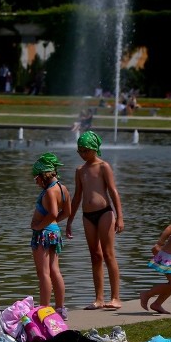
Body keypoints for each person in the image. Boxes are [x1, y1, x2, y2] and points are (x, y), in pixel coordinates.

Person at [65, 130, 124, 310]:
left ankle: (115, 297)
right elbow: (77, 197)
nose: (82, 154)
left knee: (108, 253)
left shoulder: (103, 166)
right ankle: (99, 298)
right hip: (87, 216)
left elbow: (113, 191)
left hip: (105, 213)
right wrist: (69, 220)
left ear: (94, 149)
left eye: (85, 150)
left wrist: (120, 217)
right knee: (95, 255)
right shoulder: (80, 170)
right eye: (79, 151)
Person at [29, 153, 71, 318]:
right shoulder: (63, 188)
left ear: (43, 176)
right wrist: (53, 222)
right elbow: (66, 212)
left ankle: (44, 309)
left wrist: (40, 225)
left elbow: (53, 211)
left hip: (43, 234)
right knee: (55, 271)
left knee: (43, 273)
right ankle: (60, 308)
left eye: (36, 178)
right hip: (54, 231)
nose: (36, 182)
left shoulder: (49, 192)